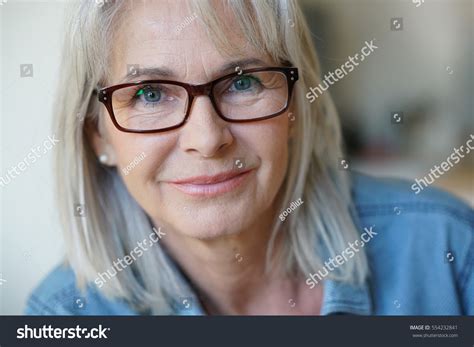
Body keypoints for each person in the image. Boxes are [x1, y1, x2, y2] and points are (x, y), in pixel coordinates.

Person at [25, 0, 473, 315]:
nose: (207, 138)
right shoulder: (62, 316)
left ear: (296, 105)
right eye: (149, 93)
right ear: (97, 135)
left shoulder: (444, 247)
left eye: (243, 82)